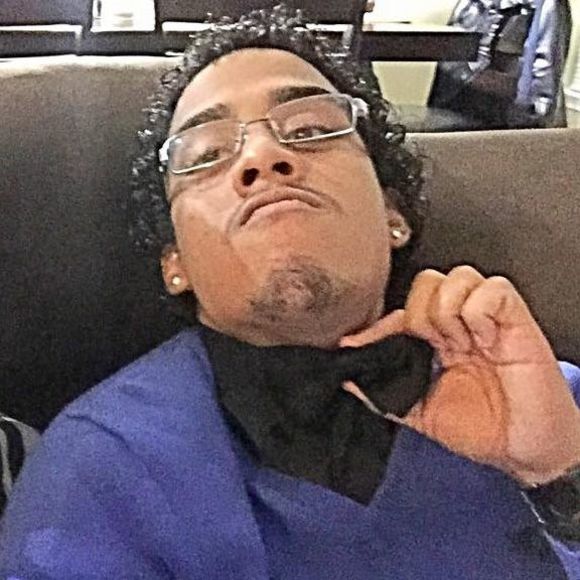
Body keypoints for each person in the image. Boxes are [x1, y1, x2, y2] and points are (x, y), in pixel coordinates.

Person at [1, 5, 579, 578]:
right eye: (207, 155)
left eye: (311, 130)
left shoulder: (546, 396)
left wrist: (560, 474)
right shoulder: (97, 471)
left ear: (393, 215)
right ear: (175, 265)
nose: (263, 156)